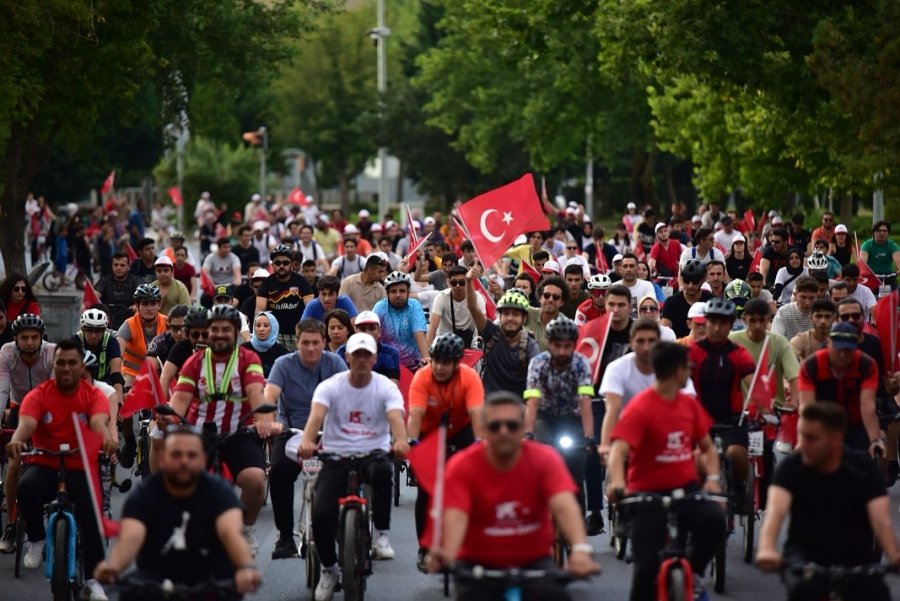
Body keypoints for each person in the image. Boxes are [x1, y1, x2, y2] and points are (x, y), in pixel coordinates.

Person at [427, 391, 600, 600]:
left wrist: (580, 550)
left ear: (524, 428)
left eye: (512, 425)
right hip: (477, 565)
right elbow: (457, 516)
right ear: (482, 430)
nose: (504, 432)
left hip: (534, 562)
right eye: (495, 426)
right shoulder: (462, 465)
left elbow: (564, 506)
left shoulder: (545, 459)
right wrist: (447, 553)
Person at [606, 341, 726, 601]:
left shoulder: (688, 405)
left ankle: (694, 574)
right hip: (647, 495)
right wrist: (617, 482)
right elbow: (617, 450)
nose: (690, 373)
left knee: (716, 521)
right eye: (688, 368)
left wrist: (713, 479)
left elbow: (707, 448)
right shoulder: (641, 407)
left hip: (686, 490)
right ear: (677, 370)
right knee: (646, 572)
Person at [299, 333, 409, 601]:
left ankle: (380, 535)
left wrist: (401, 441)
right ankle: (329, 570)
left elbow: (396, 418)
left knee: (384, 472)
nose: (361, 359)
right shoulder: (330, 386)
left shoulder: (385, 387)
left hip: (372, 454)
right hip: (336, 455)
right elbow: (316, 417)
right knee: (321, 515)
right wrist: (307, 441)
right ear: (347, 357)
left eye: (366, 354)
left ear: (374, 358)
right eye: (356, 354)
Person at [167, 304, 281, 558]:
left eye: (226, 330)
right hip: (198, 435)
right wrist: (169, 417)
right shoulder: (194, 362)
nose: (219, 335)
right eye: (215, 329)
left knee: (255, 479)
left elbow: (255, 394)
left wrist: (265, 421)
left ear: (235, 333)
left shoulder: (249, 359)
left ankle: (246, 528)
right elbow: (180, 399)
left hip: (237, 434)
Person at [755, 403, 900, 601]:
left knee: (877, 594)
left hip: (856, 558)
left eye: (811, 438)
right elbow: (775, 513)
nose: (801, 445)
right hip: (804, 556)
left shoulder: (863, 469)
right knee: (804, 590)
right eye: (801, 436)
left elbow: (881, 520)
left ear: (835, 438)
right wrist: (767, 548)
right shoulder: (792, 467)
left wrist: (894, 554)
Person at [5, 338, 113, 601]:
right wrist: (17, 440)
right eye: (60, 363)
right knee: (26, 487)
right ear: (52, 366)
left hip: (81, 466)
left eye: (72, 363)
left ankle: (93, 581)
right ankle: (37, 539)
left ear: (81, 366)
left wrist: (107, 439)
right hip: (44, 462)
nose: (66, 368)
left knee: (93, 516)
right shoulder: (39, 395)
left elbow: (99, 422)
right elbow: (26, 424)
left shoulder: (94, 395)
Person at [94, 425, 260, 596]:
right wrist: (113, 566)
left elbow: (232, 533)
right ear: (162, 458)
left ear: (203, 460)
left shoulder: (221, 492)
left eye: (191, 455)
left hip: (211, 580)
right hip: (156, 581)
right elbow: (131, 537)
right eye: (176, 455)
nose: (184, 461)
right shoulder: (144, 494)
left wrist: (246, 566)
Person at [264, 319, 348, 560]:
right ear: (297, 343)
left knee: (346, 472)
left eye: (316, 343)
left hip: (329, 433)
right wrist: (270, 422)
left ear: (324, 342)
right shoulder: (283, 364)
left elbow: (349, 395)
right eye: (305, 343)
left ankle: (348, 525)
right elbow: (269, 396)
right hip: (290, 432)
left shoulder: (335, 363)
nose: (311, 348)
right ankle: (285, 537)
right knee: (279, 471)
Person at [407, 333, 484, 571]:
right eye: (437, 361)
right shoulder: (422, 377)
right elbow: (415, 415)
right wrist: (411, 443)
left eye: (446, 362)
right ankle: (424, 549)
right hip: (429, 432)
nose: (440, 367)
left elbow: (477, 414)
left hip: (461, 430)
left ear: (457, 363)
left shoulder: (469, 377)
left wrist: (480, 443)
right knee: (425, 490)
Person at [687, 298, 756, 509]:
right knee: (698, 462)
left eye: (723, 323)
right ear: (706, 322)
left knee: (737, 454)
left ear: (731, 324)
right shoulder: (692, 352)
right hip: (698, 419)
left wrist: (764, 406)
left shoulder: (738, 353)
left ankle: (738, 488)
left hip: (732, 419)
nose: (717, 328)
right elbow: (678, 382)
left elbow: (753, 383)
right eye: (713, 322)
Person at [523, 315, 595, 510]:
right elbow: (532, 402)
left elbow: (585, 401)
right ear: (549, 343)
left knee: (576, 476)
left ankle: (578, 522)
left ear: (574, 345)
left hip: (572, 418)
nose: (562, 351)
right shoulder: (538, 363)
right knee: (539, 464)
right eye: (557, 346)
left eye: (567, 346)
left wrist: (589, 436)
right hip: (545, 416)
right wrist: (528, 434)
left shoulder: (581, 363)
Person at [0, 314, 57, 552]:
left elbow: (56, 390)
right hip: (19, 408)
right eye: (24, 338)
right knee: (14, 464)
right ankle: (11, 524)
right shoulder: (6, 352)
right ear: (15, 338)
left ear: (42, 338)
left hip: (46, 411)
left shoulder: (51, 352)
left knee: (52, 460)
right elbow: (2, 389)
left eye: (35, 337)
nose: (30, 342)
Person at [598, 319, 696, 456]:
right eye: (640, 341)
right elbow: (613, 409)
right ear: (631, 342)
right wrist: (605, 445)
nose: (646, 347)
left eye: (651, 341)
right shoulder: (616, 368)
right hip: (628, 437)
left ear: (659, 342)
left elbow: (688, 403)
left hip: (667, 437)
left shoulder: (674, 368)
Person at [797, 322, 882, 455]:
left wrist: (875, 440)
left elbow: (868, 407)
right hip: (823, 423)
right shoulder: (811, 366)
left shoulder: (866, 365)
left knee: (875, 455)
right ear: (828, 343)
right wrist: (804, 440)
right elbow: (807, 408)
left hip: (858, 425)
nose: (842, 355)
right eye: (838, 349)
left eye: (847, 350)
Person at [256, 244, 315, 349]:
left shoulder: (302, 282)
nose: (282, 266)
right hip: (274, 337)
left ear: (291, 264)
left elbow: (311, 309)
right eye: (278, 263)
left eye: (286, 263)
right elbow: (259, 312)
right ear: (272, 265)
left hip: (298, 335)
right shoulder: (266, 284)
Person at [373, 271, 430, 369]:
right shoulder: (379, 307)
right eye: (393, 291)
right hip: (386, 364)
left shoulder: (414, 305)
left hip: (413, 364)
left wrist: (426, 358)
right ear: (387, 293)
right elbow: (371, 332)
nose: (398, 295)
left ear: (408, 292)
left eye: (402, 291)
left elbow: (420, 334)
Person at [117, 284, 168, 386]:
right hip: (131, 374)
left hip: (161, 374)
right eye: (144, 304)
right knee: (126, 392)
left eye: (153, 304)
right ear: (137, 305)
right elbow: (117, 354)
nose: (149, 308)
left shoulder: (167, 323)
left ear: (159, 305)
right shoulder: (128, 325)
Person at [426, 265, 484, 349]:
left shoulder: (477, 298)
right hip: (444, 341)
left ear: (467, 282)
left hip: (470, 342)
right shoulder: (441, 297)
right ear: (449, 282)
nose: (457, 286)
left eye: (462, 282)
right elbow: (432, 328)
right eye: (454, 283)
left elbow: (483, 326)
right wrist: (427, 354)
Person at [661, 259, 713, 339]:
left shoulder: (711, 301)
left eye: (695, 282)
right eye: (686, 281)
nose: (690, 286)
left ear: (703, 280)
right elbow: (664, 333)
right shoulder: (671, 302)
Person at [95, 252, 144, 330]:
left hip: (130, 319)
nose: (118, 268)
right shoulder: (104, 280)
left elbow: (144, 296)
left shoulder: (136, 280)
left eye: (122, 265)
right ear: (112, 266)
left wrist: (137, 306)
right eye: (116, 265)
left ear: (128, 267)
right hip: (107, 319)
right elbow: (95, 295)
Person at [241, 311, 288, 378]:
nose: (261, 329)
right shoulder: (244, 349)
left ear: (273, 328)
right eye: (258, 325)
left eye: (266, 326)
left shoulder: (281, 351)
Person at [772, 276, 819, 341]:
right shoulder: (783, 312)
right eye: (803, 297)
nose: (807, 302)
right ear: (795, 295)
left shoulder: (821, 312)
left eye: (811, 298)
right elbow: (776, 339)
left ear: (817, 296)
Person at [860, 220, 900, 290]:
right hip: (872, 278)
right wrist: (863, 271)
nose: (882, 233)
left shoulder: (893, 245)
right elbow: (863, 262)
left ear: (888, 233)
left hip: (888, 277)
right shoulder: (866, 245)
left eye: (885, 231)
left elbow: (898, 260)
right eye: (879, 231)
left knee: (894, 294)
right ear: (874, 232)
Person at [201, 237, 242, 304]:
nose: (228, 249)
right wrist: (211, 285)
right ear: (219, 247)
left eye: (229, 247)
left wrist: (236, 282)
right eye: (225, 247)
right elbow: (205, 273)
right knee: (204, 299)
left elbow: (237, 275)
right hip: (214, 286)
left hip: (229, 286)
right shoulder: (210, 258)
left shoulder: (234, 258)